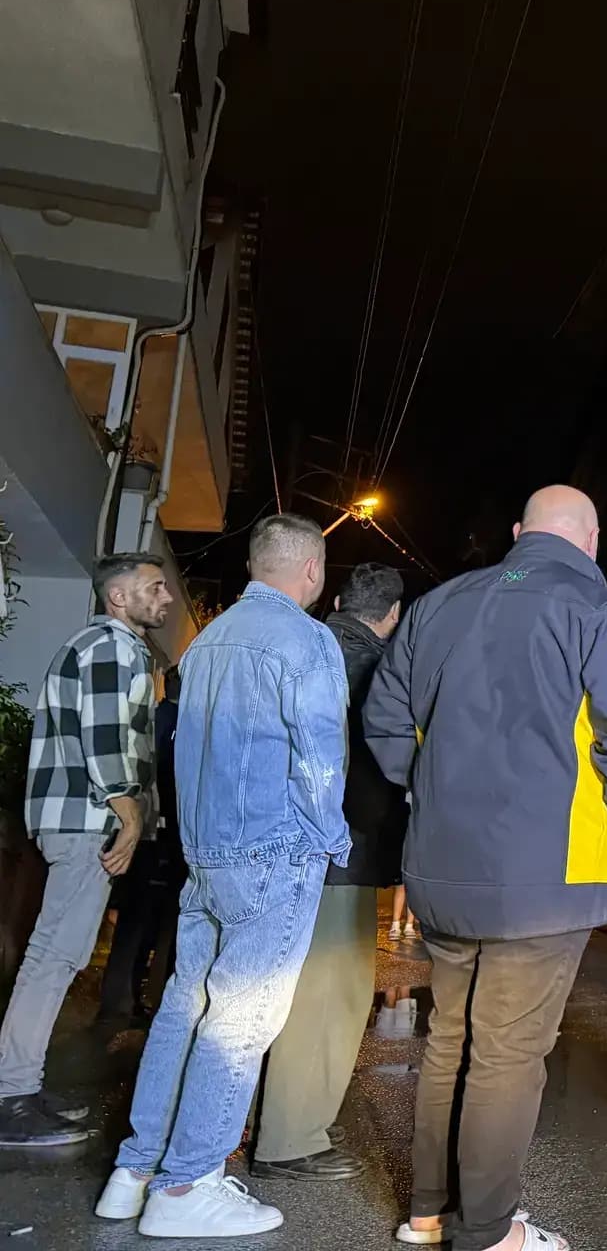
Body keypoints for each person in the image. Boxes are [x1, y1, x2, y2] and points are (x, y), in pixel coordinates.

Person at [364, 486, 607, 1251]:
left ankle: (430, 1212)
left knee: (451, 1038)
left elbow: (384, 717)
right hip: (547, 878)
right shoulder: (599, 612)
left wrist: (426, 789)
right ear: (591, 542)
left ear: (516, 533)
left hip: (442, 866)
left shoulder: (437, 607)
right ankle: (488, 1232)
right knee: (507, 1053)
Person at [96, 514, 350, 1237]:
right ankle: (188, 1185)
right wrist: (329, 837)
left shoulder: (206, 643)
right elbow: (320, 755)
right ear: (311, 570)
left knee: (185, 1007)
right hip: (273, 851)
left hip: (206, 856)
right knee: (240, 1022)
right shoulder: (307, 639)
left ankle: (135, 1171)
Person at [0, 554, 170, 1148]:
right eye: (155, 587)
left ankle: (18, 1086)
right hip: (86, 819)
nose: (166, 596)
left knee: (56, 955)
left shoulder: (105, 647)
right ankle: (11, 1095)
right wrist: (130, 816)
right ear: (118, 597)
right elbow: (105, 740)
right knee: (54, 957)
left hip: (79, 816)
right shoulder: (111, 647)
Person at [253, 562, 408, 1182]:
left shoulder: (300, 647)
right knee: (329, 994)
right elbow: (369, 774)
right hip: (341, 852)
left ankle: (287, 1116)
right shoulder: (376, 670)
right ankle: (291, 1137)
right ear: (393, 615)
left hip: (277, 843)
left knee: (287, 986)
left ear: (339, 601)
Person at [96, 665, 187, 1031]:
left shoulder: (151, 717)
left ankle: (117, 1000)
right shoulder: (181, 724)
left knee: (134, 921)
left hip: (142, 831)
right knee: (156, 925)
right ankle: (137, 1002)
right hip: (164, 834)